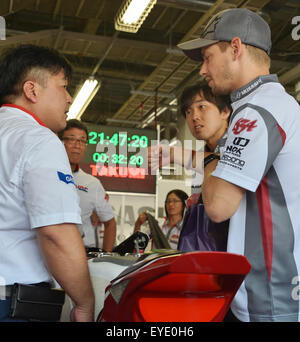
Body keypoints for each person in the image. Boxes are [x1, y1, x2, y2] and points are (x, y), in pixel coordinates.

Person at [178, 8, 300, 322]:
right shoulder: (273, 104)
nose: (203, 70)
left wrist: (210, 155)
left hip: (270, 297)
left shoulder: (258, 111)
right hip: (270, 292)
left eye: (207, 57)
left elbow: (217, 205)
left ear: (235, 48)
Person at [0, 44, 94, 322]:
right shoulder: (38, 139)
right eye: (63, 87)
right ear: (32, 90)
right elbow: (56, 233)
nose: (68, 98)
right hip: (12, 303)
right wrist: (84, 302)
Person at [58, 119, 116, 252]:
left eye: (82, 141)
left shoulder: (92, 183)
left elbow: (110, 223)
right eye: (72, 139)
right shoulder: (45, 173)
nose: (77, 145)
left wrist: (105, 258)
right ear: (60, 142)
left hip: (80, 252)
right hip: (44, 250)